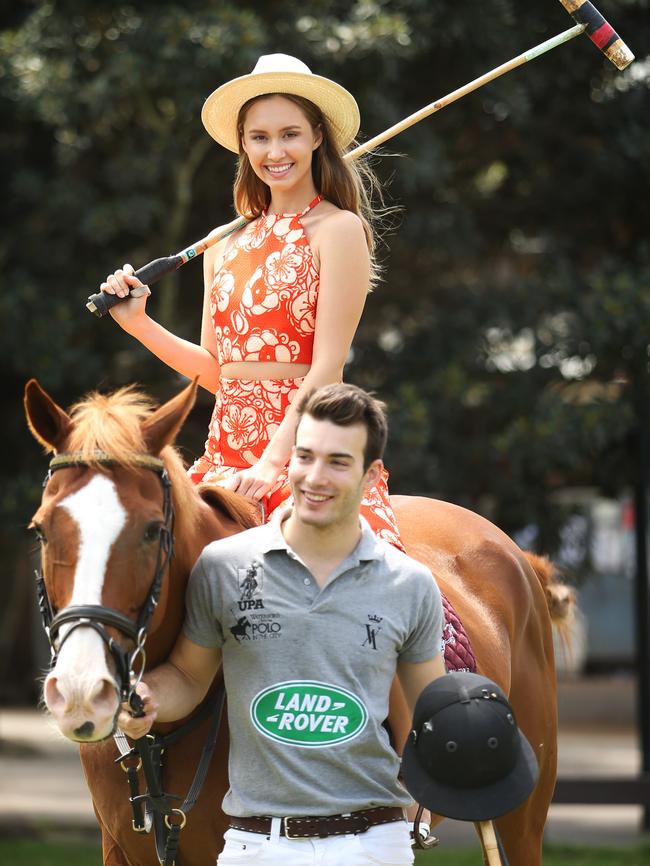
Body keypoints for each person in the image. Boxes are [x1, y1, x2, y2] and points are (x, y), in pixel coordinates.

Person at [119, 383, 446, 866]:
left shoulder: (409, 583)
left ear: (371, 475)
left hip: (373, 843)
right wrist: (148, 699)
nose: (315, 477)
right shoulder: (223, 568)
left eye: (338, 462)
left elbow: (429, 712)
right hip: (254, 845)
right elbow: (188, 677)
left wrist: (471, 746)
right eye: (305, 457)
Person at [99, 53, 403, 549]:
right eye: (259, 137)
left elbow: (327, 367)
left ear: (317, 137)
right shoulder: (222, 241)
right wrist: (138, 324)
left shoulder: (338, 229)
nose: (275, 151)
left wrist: (273, 462)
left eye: (290, 134)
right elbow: (216, 372)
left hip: (311, 448)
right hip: (224, 454)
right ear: (243, 144)